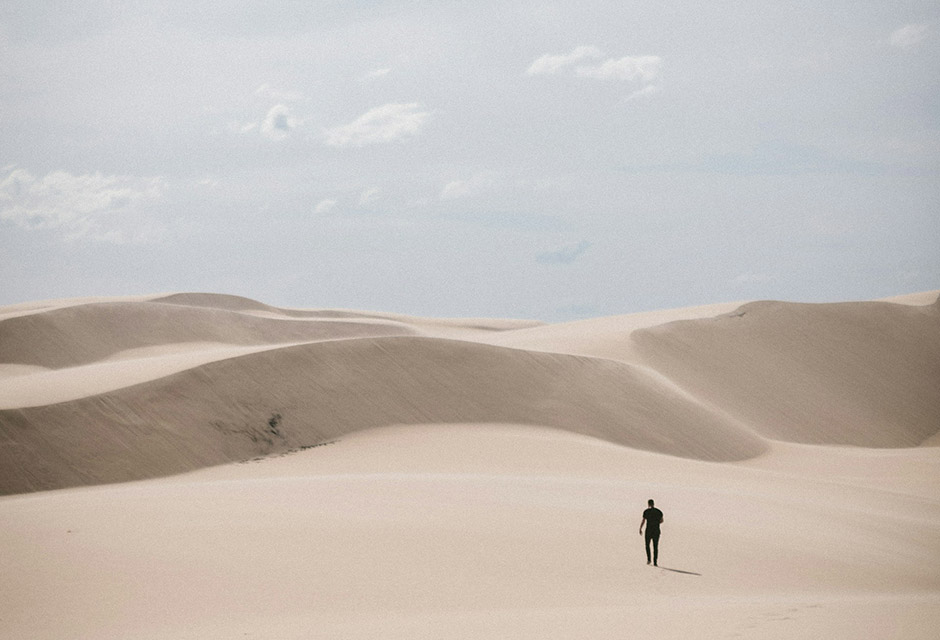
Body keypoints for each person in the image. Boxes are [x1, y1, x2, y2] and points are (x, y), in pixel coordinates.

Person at [639, 499, 664, 566]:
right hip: (656, 530)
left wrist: (640, 528)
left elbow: (643, 521)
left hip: (649, 531)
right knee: (655, 546)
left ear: (648, 504)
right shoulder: (659, 512)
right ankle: (655, 562)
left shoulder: (646, 511)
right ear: (654, 503)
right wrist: (656, 523)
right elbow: (662, 521)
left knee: (647, 545)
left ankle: (649, 559)